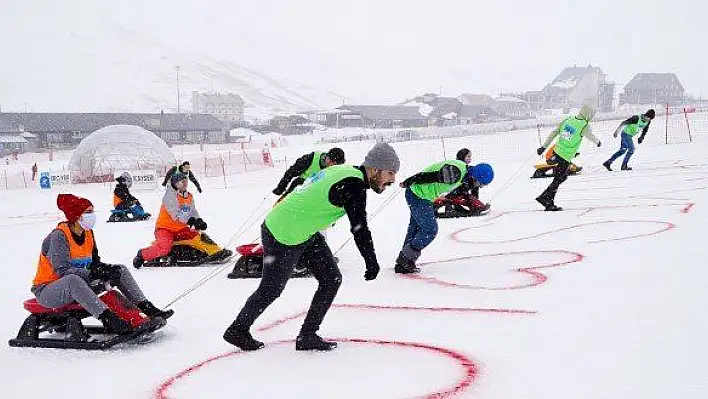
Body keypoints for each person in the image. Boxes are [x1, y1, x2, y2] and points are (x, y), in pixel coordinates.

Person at [223, 142, 399, 352]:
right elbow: (359, 228)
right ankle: (238, 330)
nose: (392, 180)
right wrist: (371, 262)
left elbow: (303, 185)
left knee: (331, 278)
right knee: (271, 289)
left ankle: (308, 335)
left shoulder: (344, 171)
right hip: (284, 233)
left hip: (301, 229)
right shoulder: (354, 185)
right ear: (375, 169)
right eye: (390, 173)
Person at [31, 194, 173, 335]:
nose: (92, 215)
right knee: (72, 280)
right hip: (48, 291)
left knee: (120, 270)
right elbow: (62, 271)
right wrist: (94, 273)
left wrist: (106, 270)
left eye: (92, 211)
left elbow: (94, 263)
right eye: (88, 212)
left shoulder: (88, 233)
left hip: (79, 285)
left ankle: (147, 308)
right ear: (77, 216)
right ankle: (109, 319)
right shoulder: (59, 236)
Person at [396, 157, 469, 274]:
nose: (480, 186)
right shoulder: (457, 172)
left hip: (419, 194)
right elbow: (429, 176)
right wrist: (409, 180)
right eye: (480, 183)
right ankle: (405, 259)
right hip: (418, 195)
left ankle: (404, 262)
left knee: (415, 228)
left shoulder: (463, 173)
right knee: (430, 230)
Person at [535, 103, 602, 211]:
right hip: (565, 156)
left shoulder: (568, 120)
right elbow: (591, 136)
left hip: (557, 152)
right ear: (588, 114)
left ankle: (544, 197)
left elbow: (554, 132)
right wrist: (598, 142)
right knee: (559, 178)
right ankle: (547, 201)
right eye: (592, 115)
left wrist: (543, 147)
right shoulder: (584, 126)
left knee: (562, 177)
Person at [133, 172, 206, 267]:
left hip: (179, 229)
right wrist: (192, 221)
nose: (185, 184)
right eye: (182, 182)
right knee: (165, 248)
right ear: (175, 184)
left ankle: (211, 251)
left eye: (186, 181)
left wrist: (199, 220)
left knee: (197, 235)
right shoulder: (169, 196)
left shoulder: (189, 196)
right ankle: (142, 254)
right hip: (164, 229)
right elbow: (176, 215)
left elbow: (193, 211)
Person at [271, 148, 346, 198]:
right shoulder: (310, 159)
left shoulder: (336, 169)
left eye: (335, 164)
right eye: (331, 161)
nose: (331, 165)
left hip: (316, 191)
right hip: (300, 185)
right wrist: (281, 187)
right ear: (327, 157)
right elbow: (291, 172)